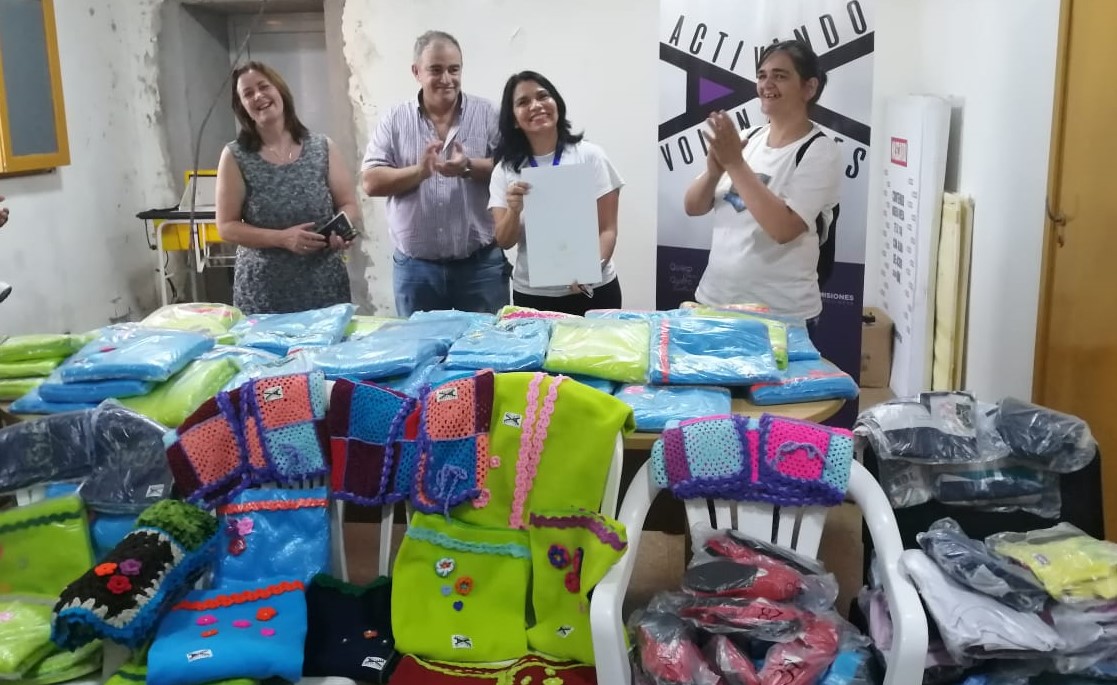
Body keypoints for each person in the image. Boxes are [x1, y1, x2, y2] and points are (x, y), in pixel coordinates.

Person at [684, 39, 841, 338]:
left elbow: (783, 229)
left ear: (809, 87)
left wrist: (734, 164)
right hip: (714, 303)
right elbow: (693, 206)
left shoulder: (820, 152)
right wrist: (715, 172)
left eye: (780, 76)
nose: (767, 84)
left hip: (780, 318)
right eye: (762, 75)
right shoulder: (747, 137)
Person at [361, 30, 508, 317]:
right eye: (435, 70)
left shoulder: (488, 113)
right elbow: (370, 181)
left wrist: (468, 167)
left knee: (487, 355)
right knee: (421, 355)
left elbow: (512, 171)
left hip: (480, 266)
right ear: (416, 72)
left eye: (454, 69)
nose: (446, 79)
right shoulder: (395, 119)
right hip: (416, 270)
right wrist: (419, 172)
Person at [215, 61, 356, 315]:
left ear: (280, 90)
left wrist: (342, 232)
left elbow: (349, 204)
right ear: (242, 107)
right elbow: (226, 226)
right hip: (264, 292)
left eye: (263, 86)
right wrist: (281, 239)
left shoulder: (322, 147)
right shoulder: (235, 156)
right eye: (248, 94)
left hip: (324, 286)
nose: (258, 96)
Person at [489, 71, 624, 316]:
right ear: (514, 120)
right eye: (523, 102)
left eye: (543, 96)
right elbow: (504, 240)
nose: (536, 105)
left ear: (556, 104)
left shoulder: (590, 156)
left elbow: (607, 229)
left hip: (593, 290)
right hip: (532, 295)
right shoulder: (505, 170)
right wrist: (513, 210)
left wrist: (592, 270)